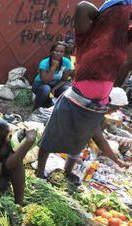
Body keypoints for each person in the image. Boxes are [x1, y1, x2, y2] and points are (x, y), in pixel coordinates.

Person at [36, 0, 132, 186]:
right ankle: (40, 171)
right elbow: (82, 7)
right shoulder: (87, 37)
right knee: (52, 136)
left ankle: (67, 171)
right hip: (76, 99)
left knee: (79, 141)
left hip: (98, 105)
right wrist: (103, 19)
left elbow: (99, 139)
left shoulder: (122, 40)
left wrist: (117, 161)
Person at [32, 42, 72, 110]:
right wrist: (53, 66)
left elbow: (64, 80)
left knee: (67, 89)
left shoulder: (66, 62)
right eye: (56, 51)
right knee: (46, 89)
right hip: (40, 85)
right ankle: (36, 109)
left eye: (61, 52)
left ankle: (60, 110)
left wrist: (54, 89)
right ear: (51, 52)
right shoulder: (44, 62)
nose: (58, 53)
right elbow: (45, 80)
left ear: (64, 54)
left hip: (55, 86)